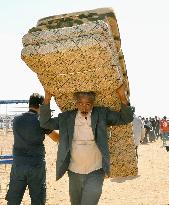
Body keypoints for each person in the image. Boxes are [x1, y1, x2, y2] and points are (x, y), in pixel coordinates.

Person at [39, 84, 134, 205]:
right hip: (74, 172)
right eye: (81, 103)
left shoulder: (101, 115)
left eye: (88, 104)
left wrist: (122, 96)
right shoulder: (67, 117)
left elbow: (126, 118)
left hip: (96, 170)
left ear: (93, 104)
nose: (84, 107)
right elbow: (45, 123)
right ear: (76, 104)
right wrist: (47, 99)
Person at [5, 93, 59, 205]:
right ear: (40, 105)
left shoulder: (16, 120)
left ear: (30, 104)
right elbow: (56, 138)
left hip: (18, 165)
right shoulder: (41, 121)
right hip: (36, 166)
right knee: (37, 199)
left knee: (13, 200)